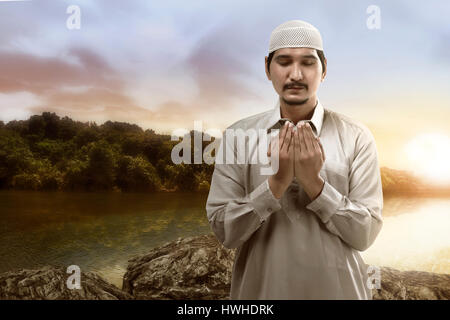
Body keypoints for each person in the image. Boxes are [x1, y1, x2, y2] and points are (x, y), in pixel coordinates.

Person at [205, 20, 383, 299]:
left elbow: (366, 234)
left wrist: (315, 185)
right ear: (267, 67)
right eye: (284, 61)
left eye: (308, 63)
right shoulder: (238, 135)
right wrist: (275, 184)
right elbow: (224, 232)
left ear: (324, 69)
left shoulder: (356, 136)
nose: (296, 74)